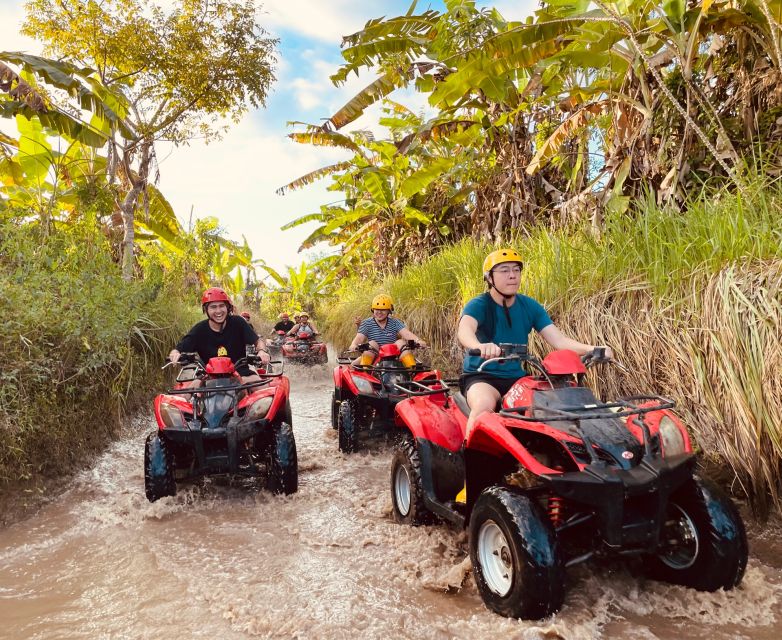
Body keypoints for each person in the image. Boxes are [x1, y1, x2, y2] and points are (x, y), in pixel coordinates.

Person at [457, 248, 613, 437]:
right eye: (504, 270)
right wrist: (479, 346)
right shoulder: (479, 304)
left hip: (517, 378)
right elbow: (465, 330)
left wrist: (594, 349)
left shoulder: (529, 306)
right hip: (482, 377)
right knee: (483, 406)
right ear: (489, 277)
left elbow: (559, 340)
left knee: (554, 409)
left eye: (516, 270)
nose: (512, 275)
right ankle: (469, 453)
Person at [169, 287, 270, 384]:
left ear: (227, 307)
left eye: (221, 306)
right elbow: (179, 349)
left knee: (263, 390)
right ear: (206, 310)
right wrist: (175, 353)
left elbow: (258, 341)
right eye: (213, 307)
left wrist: (261, 351)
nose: (218, 311)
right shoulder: (199, 329)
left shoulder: (238, 322)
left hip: (241, 372)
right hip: (208, 376)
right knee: (187, 392)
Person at [348, 294, 427, 355]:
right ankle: (365, 369)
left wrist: (418, 341)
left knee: (401, 342)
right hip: (373, 356)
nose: (379, 312)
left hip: (392, 356)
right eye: (377, 309)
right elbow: (359, 338)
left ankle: (410, 368)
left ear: (389, 311)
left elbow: (406, 333)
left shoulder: (395, 322)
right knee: (372, 344)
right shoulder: (366, 323)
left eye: (383, 310)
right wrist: (354, 344)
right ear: (373, 310)